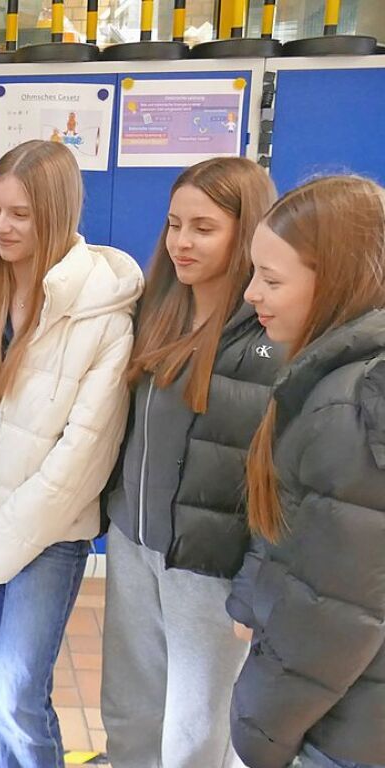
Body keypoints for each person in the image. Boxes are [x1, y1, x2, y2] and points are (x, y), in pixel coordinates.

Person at [0, 140, 143, 768]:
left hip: (48, 536)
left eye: (21, 214)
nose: (1, 227)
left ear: (57, 213)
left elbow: (84, 456)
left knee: (16, 694)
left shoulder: (103, 314)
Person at [100, 157, 280, 768]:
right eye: (174, 224)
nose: (181, 241)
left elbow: (284, 481)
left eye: (203, 228)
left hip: (209, 567)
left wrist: (256, 580)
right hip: (133, 544)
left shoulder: (268, 338)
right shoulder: (157, 308)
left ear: (246, 231)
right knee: (129, 714)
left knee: (194, 735)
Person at [229, 175, 385, 768]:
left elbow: (338, 615)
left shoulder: (350, 406)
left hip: (343, 733)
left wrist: (260, 732)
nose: (251, 295)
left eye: (271, 280)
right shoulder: (338, 379)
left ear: (339, 281)